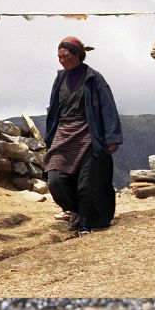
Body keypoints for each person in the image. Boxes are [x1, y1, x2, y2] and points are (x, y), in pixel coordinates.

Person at [43, 35, 122, 235]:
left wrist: (112, 137)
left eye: (66, 56)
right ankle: (75, 210)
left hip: (88, 134)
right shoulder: (60, 78)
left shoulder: (93, 78)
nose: (62, 60)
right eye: (59, 56)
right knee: (55, 180)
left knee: (87, 184)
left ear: (78, 55)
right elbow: (54, 108)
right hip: (63, 133)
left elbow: (108, 107)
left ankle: (86, 222)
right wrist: (50, 135)